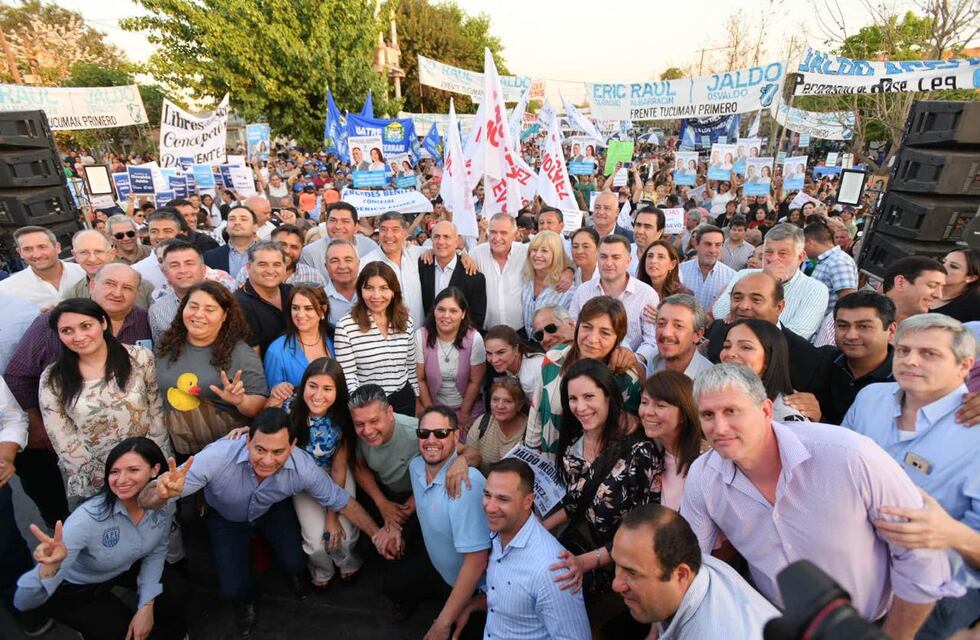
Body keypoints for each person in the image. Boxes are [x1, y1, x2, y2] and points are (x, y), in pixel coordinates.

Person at [680, 363, 958, 637]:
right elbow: (691, 566)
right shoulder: (704, 476)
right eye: (707, 415)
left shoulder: (850, 455)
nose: (719, 427)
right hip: (778, 623)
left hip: (876, 625)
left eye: (731, 411)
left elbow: (922, 558)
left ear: (765, 410)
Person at [142, 408, 386, 638]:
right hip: (227, 519)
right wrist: (160, 494)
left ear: (292, 446)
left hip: (271, 511)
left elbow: (341, 500)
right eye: (260, 450)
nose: (267, 461)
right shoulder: (217, 456)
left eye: (278, 452)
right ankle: (246, 600)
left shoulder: (303, 467)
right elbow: (147, 498)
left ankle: (294, 574)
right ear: (247, 441)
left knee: (295, 561)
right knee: (232, 589)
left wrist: (378, 535)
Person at [842, 314, 978, 638]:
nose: (910, 361)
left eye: (929, 353)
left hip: (935, 598)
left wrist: (951, 534)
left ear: (965, 366)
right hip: (849, 568)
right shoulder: (870, 398)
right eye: (903, 351)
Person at [6, 264, 153, 527]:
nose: (117, 292)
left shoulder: (142, 332)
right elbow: (62, 436)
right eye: (110, 284)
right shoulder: (52, 362)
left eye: (127, 287)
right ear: (92, 283)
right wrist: (33, 423)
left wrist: (153, 461)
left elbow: (155, 408)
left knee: (153, 526)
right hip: (95, 473)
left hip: (144, 462)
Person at [14, 438, 188, 640]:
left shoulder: (163, 500)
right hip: (77, 588)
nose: (121, 480)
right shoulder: (85, 521)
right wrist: (48, 569)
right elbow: (22, 602)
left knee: (175, 592)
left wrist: (146, 605)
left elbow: (156, 551)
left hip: (122, 565)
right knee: (118, 631)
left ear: (154, 470)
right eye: (114, 472)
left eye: (133, 470)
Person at [540, 359, 661, 637]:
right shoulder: (574, 445)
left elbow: (641, 528)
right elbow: (574, 501)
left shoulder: (639, 453)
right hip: (583, 549)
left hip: (621, 570)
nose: (580, 407)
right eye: (572, 398)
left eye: (589, 396)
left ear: (609, 395)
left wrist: (586, 562)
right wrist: (535, 528)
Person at [346, 385, 475, 621]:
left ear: (390, 412)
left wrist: (462, 461)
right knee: (371, 548)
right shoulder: (358, 432)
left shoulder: (417, 432)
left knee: (400, 557)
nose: (367, 430)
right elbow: (359, 466)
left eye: (374, 421)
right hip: (387, 494)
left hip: (421, 499)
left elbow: (472, 453)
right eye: (360, 424)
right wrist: (382, 504)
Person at [38, 299, 172, 499]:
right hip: (96, 480)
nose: (79, 336)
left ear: (103, 323)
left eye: (86, 326)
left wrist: (146, 464)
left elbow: (157, 409)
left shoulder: (140, 358)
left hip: (148, 465)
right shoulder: (53, 379)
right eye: (67, 331)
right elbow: (61, 435)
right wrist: (108, 476)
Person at [456, 459, 591, 639]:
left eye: (503, 499)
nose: (489, 507)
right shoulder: (498, 534)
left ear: (528, 501)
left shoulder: (551, 571)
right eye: (487, 495)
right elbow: (509, 596)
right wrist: (471, 605)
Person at [611, 504, 778, 640]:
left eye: (632, 573)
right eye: (617, 565)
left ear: (681, 575)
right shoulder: (694, 564)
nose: (616, 585)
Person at [156, 281, 269, 455]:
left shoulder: (242, 354)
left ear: (225, 315)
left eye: (210, 309)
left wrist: (241, 401)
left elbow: (259, 406)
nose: (199, 314)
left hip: (225, 454)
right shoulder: (165, 344)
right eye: (193, 306)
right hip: (174, 452)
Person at [408, 405, 490, 640]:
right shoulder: (415, 467)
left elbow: (476, 563)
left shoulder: (465, 485)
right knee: (393, 587)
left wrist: (442, 623)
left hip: (476, 587)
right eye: (424, 434)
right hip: (441, 571)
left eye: (441, 433)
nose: (430, 440)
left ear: (456, 436)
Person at [526, 297, 644, 456]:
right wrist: (530, 455)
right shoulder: (554, 358)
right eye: (587, 327)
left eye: (605, 332)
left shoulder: (626, 379)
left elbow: (631, 437)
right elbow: (537, 410)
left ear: (618, 338)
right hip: (549, 463)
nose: (592, 338)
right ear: (577, 326)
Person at [703, 271, 831, 411]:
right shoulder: (717, 332)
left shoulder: (808, 358)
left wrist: (815, 414)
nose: (743, 306)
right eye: (737, 298)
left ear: (779, 307)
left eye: (756, 300)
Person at [712, 223, 830, 340]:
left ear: (800, 257)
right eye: (768, 252)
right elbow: (719, 313)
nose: (773, 259)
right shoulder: (743, 275)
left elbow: (796, 335)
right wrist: (765, 279)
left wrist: (769, 282)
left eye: (783, 253)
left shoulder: (815, 289)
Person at [334, 262, 419, 416]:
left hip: (404, 400)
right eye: (369, 288)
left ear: (394, 292)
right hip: (368, 406)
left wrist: (417, 397)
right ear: (360, 291)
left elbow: (411, 366)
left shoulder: (406, 321)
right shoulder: (346, 327)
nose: (376, 295)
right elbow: (348, 377)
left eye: (384, 288)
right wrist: (364, 407)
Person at [569, 235, 659, 364]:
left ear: (628, 261)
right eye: (603, 257)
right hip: (586, 362)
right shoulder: (583, 291)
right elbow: (573, 329)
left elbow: (652, 340)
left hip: (629, 367)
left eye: (616, 257)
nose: (608, 263)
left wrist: (633, 358)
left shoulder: (646, 294)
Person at [815, 291, 897, 425]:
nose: (851, 335)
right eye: (842, 326)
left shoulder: (903, 382)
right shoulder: (820, 360)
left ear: (891, 331)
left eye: (863, 326)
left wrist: (821, 420)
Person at [415, 287, 486, 437]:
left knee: (467, 447)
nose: (446, 316)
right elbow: (419, 379)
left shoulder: (474, 338)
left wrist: (464, 414)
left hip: (468, 407)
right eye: (441, 309)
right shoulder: (421, 336)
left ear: (463, 314)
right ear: (434, 311)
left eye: (453, 311)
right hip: (433, 405)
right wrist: (431, 412)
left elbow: (475, 381)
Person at [637, 372, 704, 510]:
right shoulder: (644, 450)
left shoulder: (707, 461)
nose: (648, 412)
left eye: (660, 405)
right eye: (644, 402)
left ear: (684, 414)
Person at [719, 319, 808, 422]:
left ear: (769, 358)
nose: (730, 353)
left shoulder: (786, 417)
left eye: (745, 347)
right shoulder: (710, 398)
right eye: (727, 346)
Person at [148, 239, 235, 342]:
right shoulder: (157, 310)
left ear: (203, 269)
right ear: (165, 272)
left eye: (189, 263)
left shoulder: (225, 302)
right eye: (174, 265)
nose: (183, 270)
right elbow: (160, 350)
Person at [361, 211, 427, 328]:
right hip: (388, 338)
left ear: (405, 233)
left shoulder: (416, 254)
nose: (388, 235)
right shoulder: (365, 264)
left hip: (418, 336)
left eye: (395, 229)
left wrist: (462, 254)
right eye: (384, 229)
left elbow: (443, 251)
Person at [263, 285, 335, 394]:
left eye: (308, 308)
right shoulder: (276, 350)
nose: (300, 314)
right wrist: (277, 390)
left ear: (322, 310)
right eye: (295, 308)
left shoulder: (336, 339)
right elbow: (272, 400)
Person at [419, 221, 487, 330]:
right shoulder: (421, 266)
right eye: (436, 237)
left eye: (446, 237)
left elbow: (476, 318)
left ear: (456, 242)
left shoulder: (473, 276)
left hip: (460, 341)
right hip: (426, 339)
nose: (441, 241)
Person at [471, 213, 533, 332]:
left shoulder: (525, 253)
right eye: (493, 232)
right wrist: (460, 253)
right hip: (487, 333)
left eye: (503, 233)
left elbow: (553, 254)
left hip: (521, 333)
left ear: (515, 235)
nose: (497, 238)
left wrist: (569, 270)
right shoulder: (476, 254)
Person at [63, 229, 153, 308]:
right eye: (83, 252)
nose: (92, 259)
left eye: (99, 252)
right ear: (75, 256)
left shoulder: (142, 287)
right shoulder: (72, 295)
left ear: (112, 254)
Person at [0, 226, 85, 308]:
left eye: (42, 247)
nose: (36, 255)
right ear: (20, 253)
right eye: (28, 249)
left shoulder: (83, 273)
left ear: (57, 247)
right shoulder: (7, 289)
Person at [235, 240, 293, 356]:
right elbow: (252, 357)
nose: (270, 271)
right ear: (249, 267)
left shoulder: (291, 292)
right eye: (262, 264)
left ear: (285, 268)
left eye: (276, 264)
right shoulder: (239, 304)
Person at [300, 202, 380, 281]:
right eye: (333, 220)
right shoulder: (309, 253)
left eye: (345, 221)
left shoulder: (370, 247)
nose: (338, 226)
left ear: (356, 227)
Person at [465, 376, 527, 476]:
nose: (500, 406)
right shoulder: (482, 423)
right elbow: (470, 456)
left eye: (508, 401)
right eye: (495, 400)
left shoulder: (530, 431)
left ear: (519, 405)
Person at [522, 230, 575, 341]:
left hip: (551, 347)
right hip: (525, 343)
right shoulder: (525, 279)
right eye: (534, 250)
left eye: (544, 251)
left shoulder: (567, 289)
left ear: (556, 255)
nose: (538, 255)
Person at [648, 294, 714, 379]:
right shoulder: (654, 360)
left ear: (698, 334)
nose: (666, 333)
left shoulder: (711, 380)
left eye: (678, 326)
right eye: (661, 324)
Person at [803, 222, 858, 318]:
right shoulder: (812, 260)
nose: (801, 249)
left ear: (810, 243)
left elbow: (848, 302)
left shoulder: (839, 262)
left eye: (802, 245)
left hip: (823, 328)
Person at [678, 225, 736, 312]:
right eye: (708, 244)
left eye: (718, 245)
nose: (712, 250)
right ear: (696, 245)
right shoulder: (680, 271)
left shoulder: (732, 276)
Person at [482, 324, 544, 402]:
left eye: (501, 352)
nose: (494, 360)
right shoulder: (510, 365)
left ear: (516, 349)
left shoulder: (529, 377)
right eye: (489, 353)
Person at [204, 205, 258, 279]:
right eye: (232, 219)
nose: (237, 222)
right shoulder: (210, 256)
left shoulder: (269, 254)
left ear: (255, 227)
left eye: (243, 219)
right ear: (226, 227)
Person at [932, 248, 979, 322]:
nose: (941, 267)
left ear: (971, 278)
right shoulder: (921, 286)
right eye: (943, 261)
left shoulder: (975, 307)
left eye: (953, 266)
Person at [324, 239, 360, 325]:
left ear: (358, 263)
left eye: (348, 260)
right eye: (335, 261)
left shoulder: (373, 294)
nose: (342, 266)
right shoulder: (320, 299)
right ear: (326, 267)